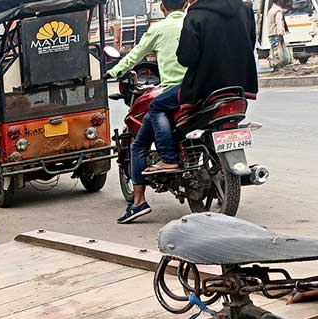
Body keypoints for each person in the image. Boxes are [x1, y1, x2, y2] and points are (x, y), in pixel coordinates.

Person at [109, 0, 187, 224]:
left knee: (139, 142)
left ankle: (138, 202)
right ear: (186, 5)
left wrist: (114, 71)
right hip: (202, 88)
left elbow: (135, 55)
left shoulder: (159, 29)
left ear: (162, 8)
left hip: (174, 89)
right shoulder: (193, 24)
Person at [177, 0, 258, 106]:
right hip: (240, 85)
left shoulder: (195, 15)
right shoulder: (245, 10)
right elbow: (250, 44)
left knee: (157, 106)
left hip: (203, 89)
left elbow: (186, 58)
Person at [267, 0, 290, 70]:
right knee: (278, 51)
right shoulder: (278, 10)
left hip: (271, 33)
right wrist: (281, 33)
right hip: (276, 33)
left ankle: (274, 65)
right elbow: (278, 22)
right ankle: (278, 66)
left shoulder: (271, 10)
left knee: (274, 50)